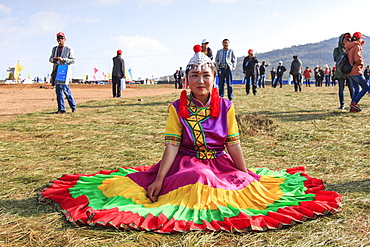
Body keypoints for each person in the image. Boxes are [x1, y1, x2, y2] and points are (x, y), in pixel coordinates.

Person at [40, 45, 342, 233]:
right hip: (185, 162)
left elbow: (233, 143)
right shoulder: (177, 107)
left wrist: (245, 171)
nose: (200, 81)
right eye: (194, 76)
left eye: (206, 76)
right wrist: (159, 177)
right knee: (197, 175)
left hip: (220, 161)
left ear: (215, 79)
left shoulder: (225, 106)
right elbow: (171, 144)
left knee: (243, 184)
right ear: (186, 80)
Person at [49, 32, 76, 114]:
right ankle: (61, 109)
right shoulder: (54, 49)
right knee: (58, 91)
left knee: (66, 90)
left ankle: (73, 107)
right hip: (56, 70)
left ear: (65, 39)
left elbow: (73, 60)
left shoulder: (69, 49)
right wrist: (53, 59)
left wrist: (63, 59)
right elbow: (50, 59)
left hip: (64, 71)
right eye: (58, 38)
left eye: (61, 38)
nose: (60, 40)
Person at [345, 32, 369, 112]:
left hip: (349, 71)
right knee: (365, 87)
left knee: (356, 88)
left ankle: (353, 107)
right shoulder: (357, 46)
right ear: (358, 39)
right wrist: (361, 63)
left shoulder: (348, 46)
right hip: (356, 70)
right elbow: (357, 58)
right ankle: (354, 103)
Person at [333, 33, 353, 109]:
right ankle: (342, 105)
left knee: (351, 88)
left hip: (349, 71)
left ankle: (353, 103)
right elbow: (336, 59)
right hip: (340, 71)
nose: (347, 40)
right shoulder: (337, 50)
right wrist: (343, 53)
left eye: (349, 39)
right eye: (346, 38)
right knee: (341, 88)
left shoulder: (351, 48)